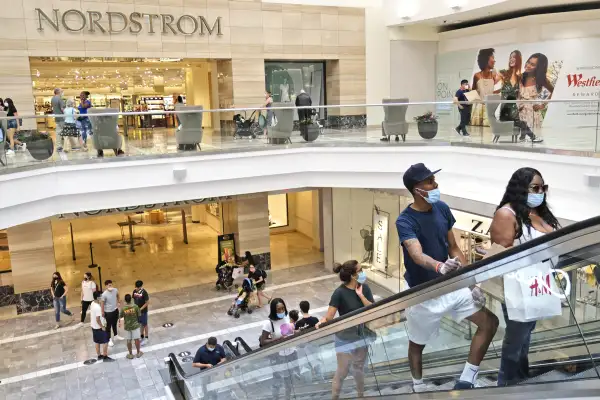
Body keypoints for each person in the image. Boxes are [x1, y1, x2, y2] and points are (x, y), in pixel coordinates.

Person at [396, 163, 499, 392]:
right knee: (417, 345)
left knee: (490, 322)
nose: (436, 185)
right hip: (422, 294)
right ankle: (418, 386)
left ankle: (467, 378)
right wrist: (439, 266)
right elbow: (416, 253)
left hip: (451, 285)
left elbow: (453, 247)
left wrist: (471, 283)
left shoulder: (441, 208)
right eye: (430, 182)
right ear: (416, 189)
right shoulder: (405, 221)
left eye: (434, 180)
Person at [490, 167, 559, 386]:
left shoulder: (539, 213)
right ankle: (506, 383)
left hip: (540, 282)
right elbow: (501, 255)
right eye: (535, 188)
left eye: (543, 188)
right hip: (519, 284)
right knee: (516, 337)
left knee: (526, 335)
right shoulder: (506, 214)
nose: (540, 192)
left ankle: (520, 377)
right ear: (521, 189)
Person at [317, 260, 374, 399]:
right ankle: (334, 397)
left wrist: (361, 296)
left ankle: (361, 396)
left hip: (362, 336)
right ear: (353, 275)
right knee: (342, 371)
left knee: (359, 369)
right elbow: (329, 316)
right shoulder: (339, 293)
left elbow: (373, 308)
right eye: (360, 270)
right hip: (344, 339)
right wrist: (322, 321)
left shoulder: (365, 288)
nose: (362, 272)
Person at [260, 298, 297, 400]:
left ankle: (287, 397)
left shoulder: (286, 318)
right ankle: (275, 397)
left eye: (283, 308)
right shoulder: (269, 323)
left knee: (289, 381)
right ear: (273, 310)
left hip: (291, 353)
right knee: (278, 381)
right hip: (278, 356)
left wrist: (296, 332)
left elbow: (290, 332)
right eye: (278, 309)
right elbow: (263, 341)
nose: (281, 311)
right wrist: (277, 340)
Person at [518, 53, 554, 136]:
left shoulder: (541, 80)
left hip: (533, 114)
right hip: (519, 112)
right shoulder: (519, 77)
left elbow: (553, 91)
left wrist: (542, 105)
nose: (528, 65)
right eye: (528, 62)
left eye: (532, 64)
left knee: (533, 141)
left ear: (539, 68)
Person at [470, 48, 499, 126]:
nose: (494, 60)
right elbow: (473, 92)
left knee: (488, 134)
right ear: (486, 60)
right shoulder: (477, 76)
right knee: (476, 134)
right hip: (478, 109)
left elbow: (490, 93)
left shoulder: (493, 75)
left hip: (489, 109)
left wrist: (501, 90)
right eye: (492, 58)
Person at [499, 50, 522, 126]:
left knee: (520, 125)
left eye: (514, 57)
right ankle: (532, 137)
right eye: (510, 57)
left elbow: (519, 95)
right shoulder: (503, 73)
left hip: (514, 109)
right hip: (504, 109)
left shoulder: (519, 77)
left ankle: (531, 137)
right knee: (506, 128)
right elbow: (491, 81)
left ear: (518, 59)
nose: (511, 59)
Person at [91, 291, 114, 362]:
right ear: (98, 298)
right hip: (99, 327)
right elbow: (98, 319)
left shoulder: (92, 303)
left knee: (97, 341)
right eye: (101, 297)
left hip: (93, 326)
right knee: (105, 341)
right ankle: (105, 356)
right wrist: (102, 327)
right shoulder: (97, 307)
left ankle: (99, 355)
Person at [119, 294, 143, 359]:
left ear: (125, 300)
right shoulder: (135, 307)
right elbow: (139, 315)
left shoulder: (123, 308)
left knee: (128, 340)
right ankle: (138, 353)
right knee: (136, 339)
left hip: (127, 327)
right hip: (135, 325)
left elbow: (120, 316)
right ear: (131, 299)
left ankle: (130, 354)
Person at [101, 280, 122, 347]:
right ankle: (109, 339)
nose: (111, 286)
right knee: (108, 327)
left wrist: (118, 302)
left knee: (114, 324)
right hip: (108, 312)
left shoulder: (115, 290)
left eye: (111, 285)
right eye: (109, 285)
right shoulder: (104, 294)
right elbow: (102, 303)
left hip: (115, 310)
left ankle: (116, 335)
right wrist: (102, 312)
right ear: (106, 286)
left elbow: (118, 295)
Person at [133, 280, 150, 345]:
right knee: (140, 323)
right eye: (136, 287)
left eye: (138, 287)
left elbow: (147, 302)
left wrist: (140, 309)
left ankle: (146, 338)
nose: (136, 288)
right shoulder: (134, 291)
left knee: (145, 324)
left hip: (143, 312)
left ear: (140, 287)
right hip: (137, 311)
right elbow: (133, 300)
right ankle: (141, 335)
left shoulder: (144, 292)